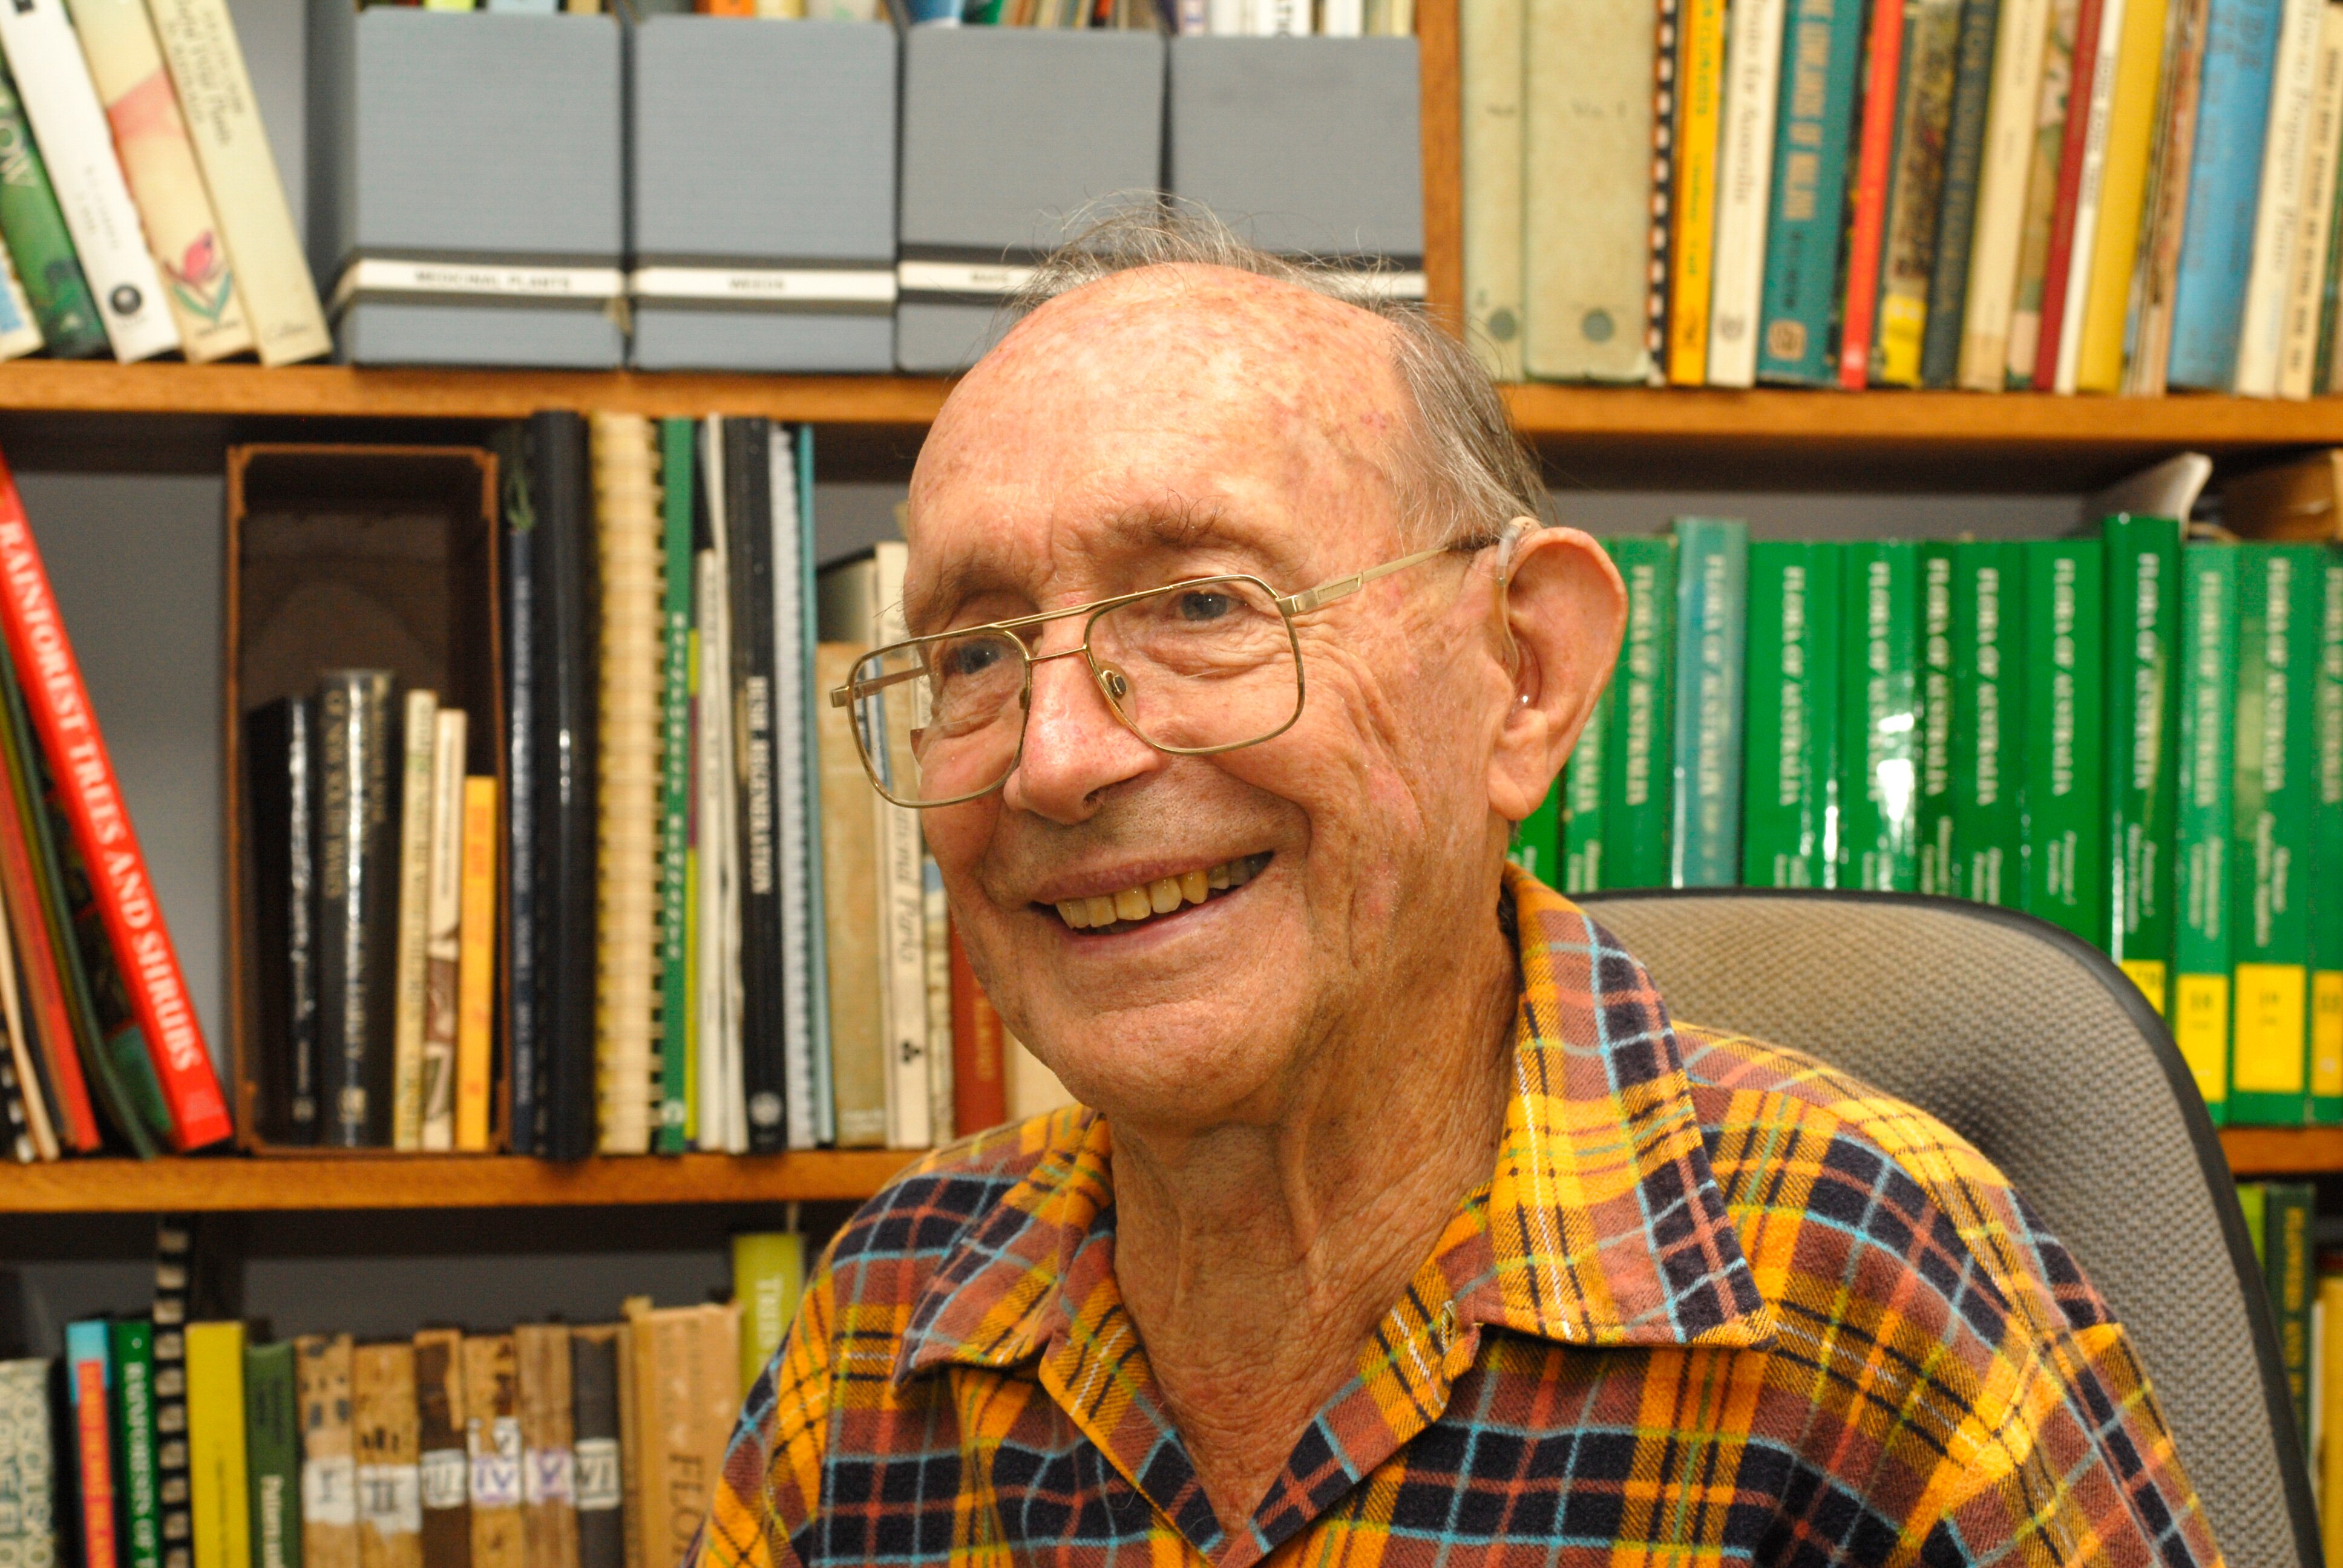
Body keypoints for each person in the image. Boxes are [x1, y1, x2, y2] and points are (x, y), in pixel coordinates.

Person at [691, 211, 2220, 1567]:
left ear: (1525, 675)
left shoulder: (1868, 1288)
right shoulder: (883, 1327)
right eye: (972, 651)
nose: (1056, 757)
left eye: (1207, 605)